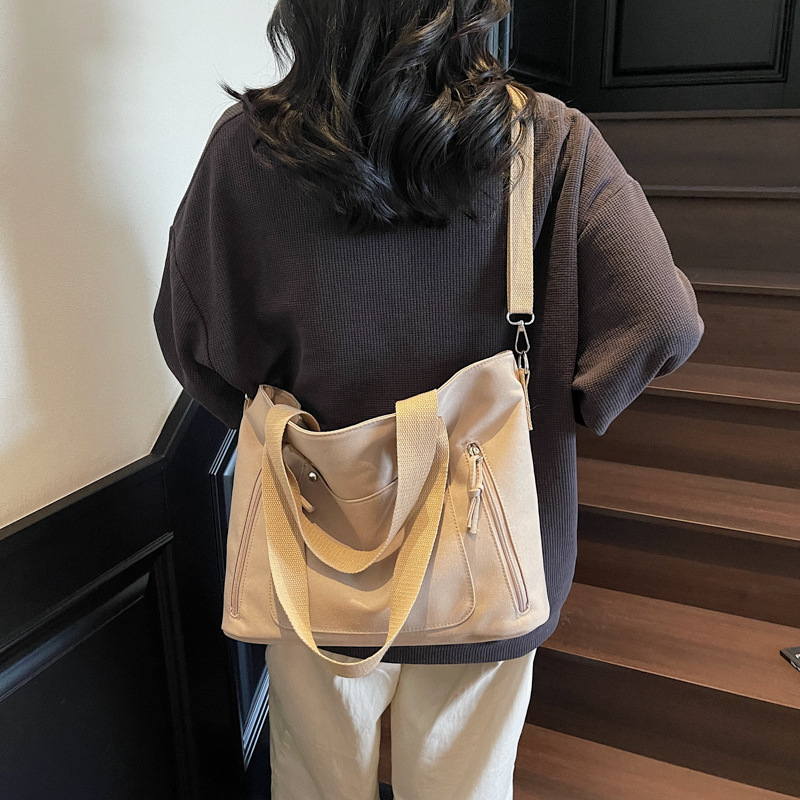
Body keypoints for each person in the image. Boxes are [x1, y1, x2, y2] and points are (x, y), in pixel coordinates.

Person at [152, 1, 704, 798]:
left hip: (314, 553)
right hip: (490, 564)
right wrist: (558, 409)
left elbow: (193, 341)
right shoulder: (548, 141)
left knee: (314, 784)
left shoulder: (248, 152)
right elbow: (663, 318)